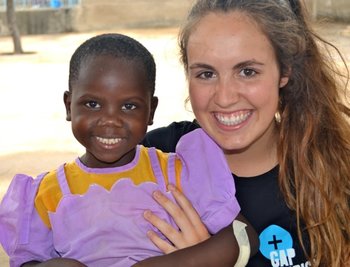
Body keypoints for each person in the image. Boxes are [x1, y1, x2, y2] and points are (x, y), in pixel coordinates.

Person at [0, 33, 258, 267]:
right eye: (92, 103)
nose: (110, 120)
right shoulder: (45, 194)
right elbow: (27, 262)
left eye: (129, 107)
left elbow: (243, 236)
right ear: (69, 106)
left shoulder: (178, 173)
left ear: (151, 111)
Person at [141, 0, 350, 266]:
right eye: (206, 74)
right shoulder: (153, 159)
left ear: (284, 71)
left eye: (247, 71)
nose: (225, 98)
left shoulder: (336, 173)